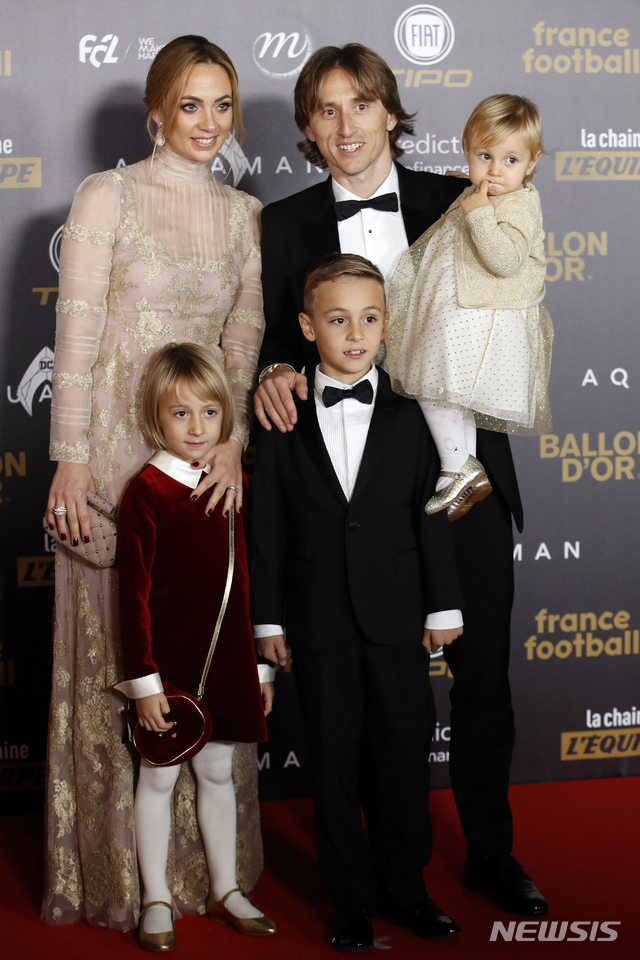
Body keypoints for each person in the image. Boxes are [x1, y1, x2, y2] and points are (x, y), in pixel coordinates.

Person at [254, 44, 548, 918]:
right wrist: (272, 371)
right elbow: (276, 336)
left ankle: (493, 854)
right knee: (373, 695)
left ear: (392, 112)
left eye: (362, 105)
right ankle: (388, 877)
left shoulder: (462, 198)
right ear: (308, 128)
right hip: (359, 506)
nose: (346, 126)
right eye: (326, 111)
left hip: (468, 485)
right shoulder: (282, 224)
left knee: (484, 680)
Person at [43, 36, 265, 929]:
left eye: (222, 106)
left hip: (200, 475)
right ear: (156, 111)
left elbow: (240, 348)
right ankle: (125, 882)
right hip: (109, 463)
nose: (207, 124)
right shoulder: (109, 194)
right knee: (119, 660)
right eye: (190, 106)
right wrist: (69, 456)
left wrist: (235, 439)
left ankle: (210, 878)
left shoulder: (246, 214)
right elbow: (80, 331)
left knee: (199, 657)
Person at [250, 254, 464, 950]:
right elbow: (268, 525)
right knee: (334, 764)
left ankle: (408, 890)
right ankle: (352, 900)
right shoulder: (282, 415)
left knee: (404, 756)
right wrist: (270, 618)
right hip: (315, 620)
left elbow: (431, 513)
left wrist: (443, 607)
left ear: (386, 326)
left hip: (398, 615)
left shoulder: (408, 417)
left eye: (370, 319)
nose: (355, 334)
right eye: (338, 320)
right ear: (309, 327)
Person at [114, 343, 275, 950]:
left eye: (209, 412)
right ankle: (155, 895)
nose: (197, 427)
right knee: (157, 780)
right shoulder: (147, 492)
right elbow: (134, 597)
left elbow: (253, 583)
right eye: (180, 414)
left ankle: (225, 888)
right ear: (156, 418)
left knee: (218, 774)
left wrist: (261, 666)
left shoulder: (239, 487)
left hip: (229, 661)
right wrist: (146, 683)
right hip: (170, 668)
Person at [387, 94, 553, 521]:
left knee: (430, 382)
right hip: (462, 312)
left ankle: (457, 465)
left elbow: (505, 259)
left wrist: (479, 212)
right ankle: (461, 467)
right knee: (446, 392)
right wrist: (469, 191)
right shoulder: (481, 193)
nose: (495, 169)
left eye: (510, 160)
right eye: (484, 156)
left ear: (531, 164)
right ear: (467, 150)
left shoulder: (518, 204)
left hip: (482, 318)